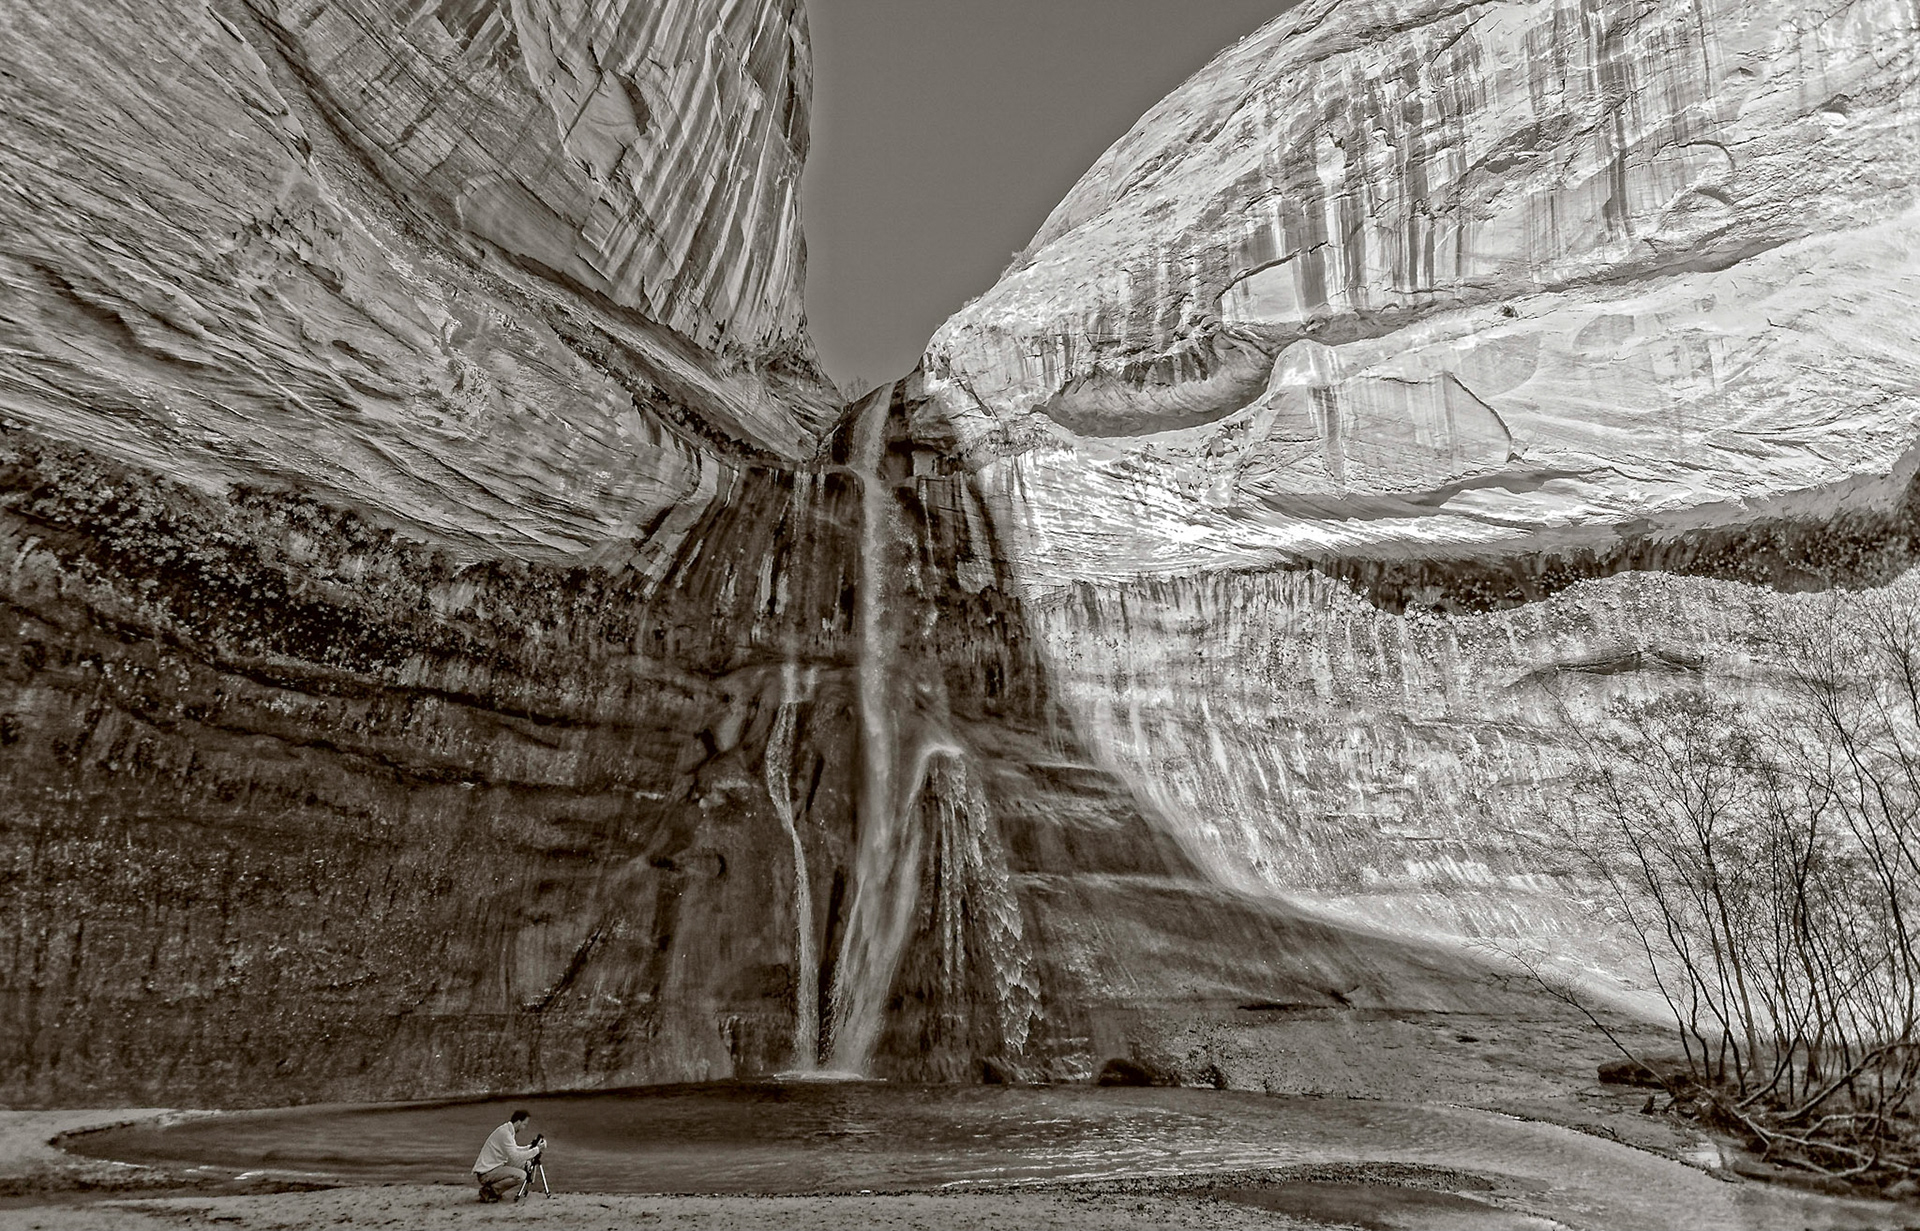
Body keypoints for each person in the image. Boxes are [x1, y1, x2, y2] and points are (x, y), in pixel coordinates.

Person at [472, 1109, 544, 1202]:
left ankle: (492, 1190)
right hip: (486, 1173)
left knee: (525, 1164)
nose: (524, 1128)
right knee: (522, 1175)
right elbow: (515, 1156)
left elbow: (515, 1150)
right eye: (524, 1124)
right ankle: (490, 1191)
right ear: (518, 1122)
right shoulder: (505, 1133)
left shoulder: (507, 1130)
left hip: (494, 1167)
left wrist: (530, 1147)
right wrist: (537, 1150)